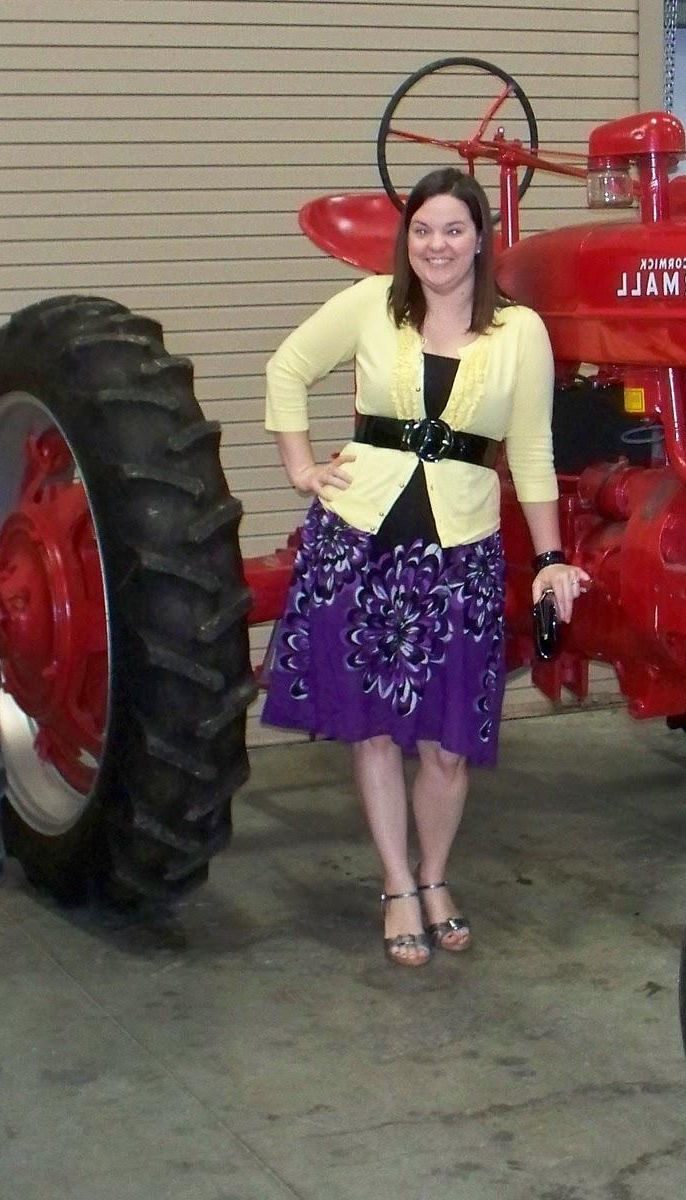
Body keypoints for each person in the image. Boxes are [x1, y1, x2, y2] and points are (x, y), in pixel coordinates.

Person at [260, 167, 589, 967]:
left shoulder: (521, 333)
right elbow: (288, 368)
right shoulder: (373, 304)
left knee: (447, 741)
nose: (436, 245)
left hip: (460, 553)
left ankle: (436, 875)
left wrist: (549, 558)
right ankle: (398, 884)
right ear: (406, 242)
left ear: (481, 237)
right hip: (360, 540)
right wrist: (302, 467)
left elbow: (535, 452)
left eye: (452, 229)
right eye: (423, 231)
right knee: (373, 730)